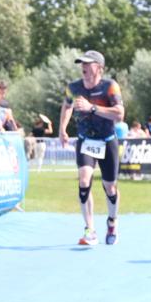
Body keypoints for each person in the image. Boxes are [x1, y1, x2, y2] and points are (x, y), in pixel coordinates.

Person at [58, 50, 125, 246]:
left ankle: (112, 221)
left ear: (99, 68)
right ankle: (90, 230)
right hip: (85, 140)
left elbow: (120, 114)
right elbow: (67, 105)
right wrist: (62, 128)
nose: (84, 68)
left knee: (109, 186)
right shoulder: (73, 87)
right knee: (84, 180)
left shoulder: (110, 87)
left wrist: (92, 108)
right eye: (82, 64)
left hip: (107, 140)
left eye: (88, 64)